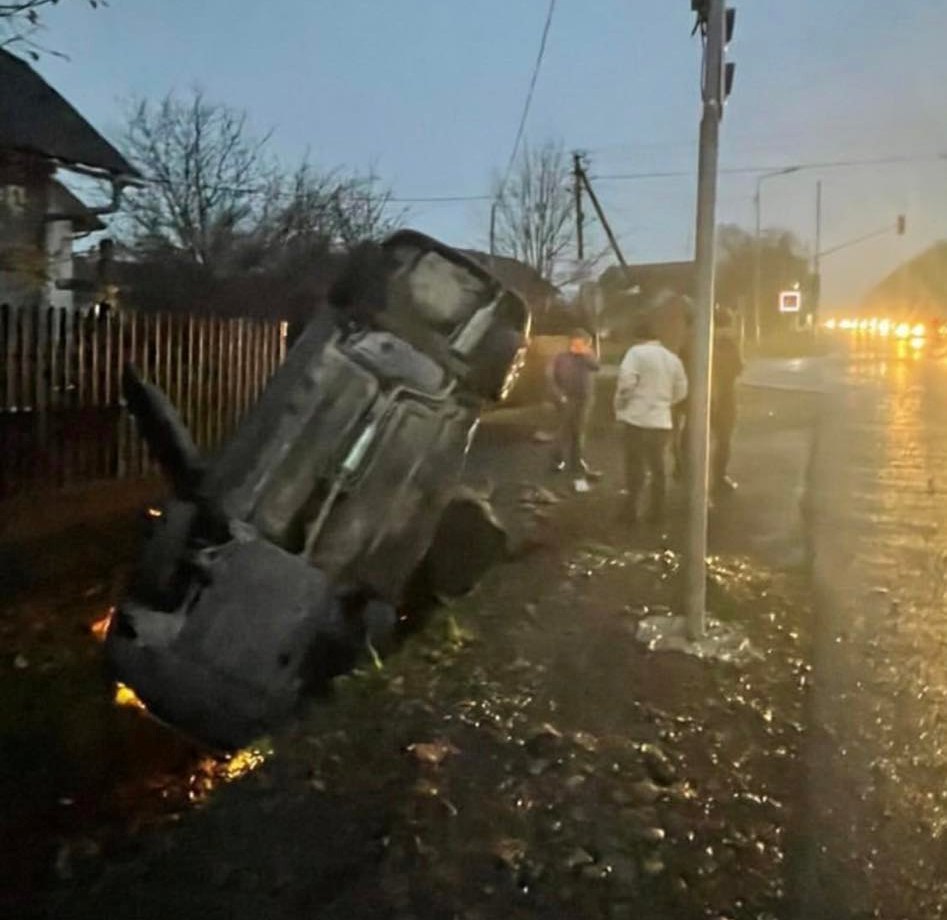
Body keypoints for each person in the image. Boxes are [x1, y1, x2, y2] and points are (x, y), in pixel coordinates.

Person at [614, 310, 688, 524]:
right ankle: (657, 513)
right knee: (658, 468)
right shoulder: (672, 358)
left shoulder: (635, 353)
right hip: (661, 421)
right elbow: (682, 390)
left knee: (635, 467)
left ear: (638, 337)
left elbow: (626, 384)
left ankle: (630, 511)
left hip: (636, 420)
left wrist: (621, 406)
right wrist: (665, 403)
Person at [548, 328, 600, 493]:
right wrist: (558, 395)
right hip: (567, 398)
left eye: (581, 343)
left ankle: (576, 461)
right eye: (575, 342)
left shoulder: (587, 357)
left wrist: (586, 353)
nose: (576, 346)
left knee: (579, 430)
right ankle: (557, 460)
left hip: (584, 399)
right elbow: (551, 377)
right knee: (563, 430)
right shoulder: (562, 357)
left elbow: (596, 366)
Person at [710, 306, 743, 492]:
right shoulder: (729, 343)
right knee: (723, 440)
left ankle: (688, 474)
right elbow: (737, 368)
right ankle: (719, 477)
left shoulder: (700, 341)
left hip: (700, 396)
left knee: (692, 436)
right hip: (724, 398)